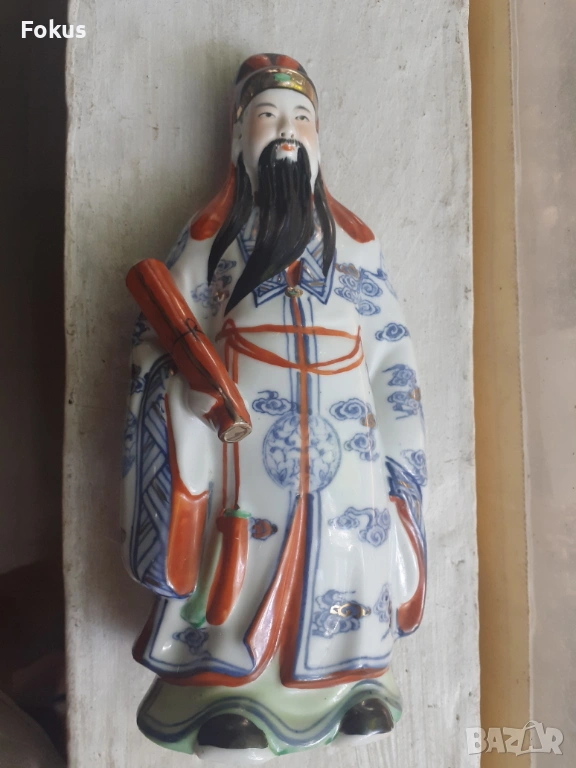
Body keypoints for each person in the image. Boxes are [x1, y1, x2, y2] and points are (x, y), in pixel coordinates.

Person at [122, 53, 427, 761]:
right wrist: (187, 389)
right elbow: (159, 334)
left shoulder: (356, 245)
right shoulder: (212, 242)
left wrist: (398, 437)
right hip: (246, 441)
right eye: (268, 116)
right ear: (239, 136)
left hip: (349, 440)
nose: (287, 132)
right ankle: (226, 700)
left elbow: (391, 347)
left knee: (349, 548)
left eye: (301, 118)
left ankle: (354, 684)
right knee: (244, 558)